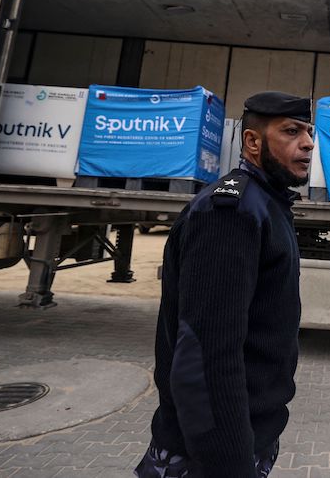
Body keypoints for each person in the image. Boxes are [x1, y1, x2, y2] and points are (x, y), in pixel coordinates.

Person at [135, 91, 315, 478]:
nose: (308, 143)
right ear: (252, 142)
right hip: (208, 455)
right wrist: (229, 466)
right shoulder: (231, 215)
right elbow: (207, 355)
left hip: (248, 438)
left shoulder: (268, 204)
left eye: (309, 132)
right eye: (291, 131)